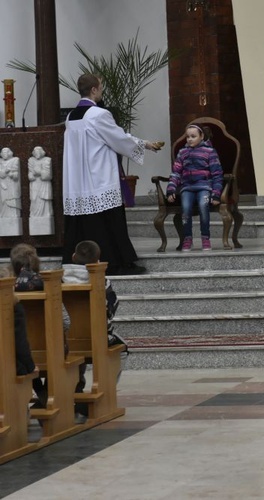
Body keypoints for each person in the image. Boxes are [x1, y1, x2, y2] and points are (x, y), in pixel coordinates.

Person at [62, 73, 162, 275]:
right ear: (93, 90)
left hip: (78, 182)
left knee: (83, 222)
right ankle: (116, 263)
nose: (102, 90)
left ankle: (80, 262)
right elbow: (118, 138)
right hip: (99, 178)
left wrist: (143, 144)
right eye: (100, 87)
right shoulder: (98, 114)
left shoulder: (70, 117)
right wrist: (144, 144)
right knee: (109, 222)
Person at [63, 240, 126, 418]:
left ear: (73, 257)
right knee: (122, 350)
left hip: (64, 340)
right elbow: (110, 310)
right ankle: (106, 393)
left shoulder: (57, 280)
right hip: (95, 338)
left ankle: (77, 388)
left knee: (75, 350)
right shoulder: (101, 281)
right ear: (98, 260)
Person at [10, 243, 71, 411]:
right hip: (48, 347)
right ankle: (54, 394)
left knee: (28, 353)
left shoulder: (7, 289)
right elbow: (65, 321)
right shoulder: (48, 287)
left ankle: (42, 393)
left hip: (15, 352)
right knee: (60, 349)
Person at [166, 124, 223, 251]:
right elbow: (175, 173)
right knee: (185, 209)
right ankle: (187, 238)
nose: (190, 139)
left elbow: (217, 175)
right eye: (188, 137)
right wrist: (170, 190)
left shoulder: (210, 152)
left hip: (204, 186)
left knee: (203, 205)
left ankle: (205, 237)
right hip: (187, 187)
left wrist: (216, 194)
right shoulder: (182, 152)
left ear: (201, 136)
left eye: (193, 136)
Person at [0, 265, 38, 378]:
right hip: (8, 365)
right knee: (24, 368)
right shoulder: (14, 308)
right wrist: (31, 366)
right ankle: (41, 391)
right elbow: (20, 343)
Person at [28, 146, 53, 218]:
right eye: (35, 152)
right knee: (34, 199)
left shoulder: (47, 160)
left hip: (44, 184)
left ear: (42, 152)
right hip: (35, 184)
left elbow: (48, 175)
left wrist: (38, 172)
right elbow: (30, 175)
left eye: (38, 151)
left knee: (44, 200)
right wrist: (32, 175)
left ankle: (46, 214)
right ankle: (34, 214)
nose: (37, 153)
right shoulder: (31, 160)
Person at [0, 147, 21, 218]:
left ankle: (13, 214)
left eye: (6, 152)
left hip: (11, 185)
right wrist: (5, 171)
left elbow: (16, 176)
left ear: (10, 153)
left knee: (12, 199)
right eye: (3, 152)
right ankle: (3, 215)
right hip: (3, 186)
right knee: (3, 201)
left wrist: (11, 174)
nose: (4, 154)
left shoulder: (15, 160)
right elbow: (1, 174)